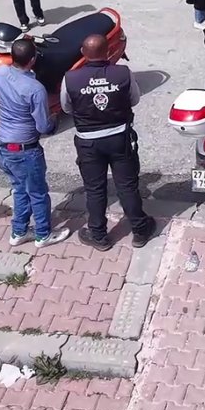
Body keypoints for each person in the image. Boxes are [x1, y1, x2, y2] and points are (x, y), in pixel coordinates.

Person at [0, 39, 70, 249]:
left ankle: (19, 232)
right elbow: (43, 126)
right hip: (26, 150)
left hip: (3, 148)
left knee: (20, 190)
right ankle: (43, 234)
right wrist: (53, 119)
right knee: (38, 193)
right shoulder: (35, 89)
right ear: (32, 60)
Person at [61, 34, 157, 251]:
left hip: (88, 143)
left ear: (84, 53)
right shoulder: (122, 73)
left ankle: (98, 235)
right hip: (119, 138)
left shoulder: (71, 78)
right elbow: (134, 99)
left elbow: (66, 107)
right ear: (107, 52)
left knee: (95, 189)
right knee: (127, 186)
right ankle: (140, 231)